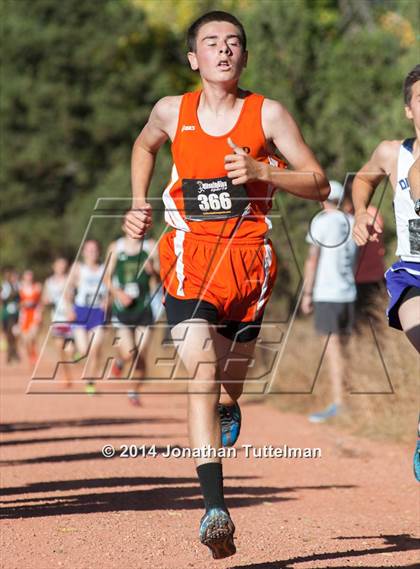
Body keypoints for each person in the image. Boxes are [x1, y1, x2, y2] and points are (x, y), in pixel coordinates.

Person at [124, 11, 329, 559]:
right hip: (190, 256)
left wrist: (266, 173)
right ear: (194, 58)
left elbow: (319, 181)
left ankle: (231, 404)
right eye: (211, 43)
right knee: (202, 369)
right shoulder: (172, 111)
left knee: (231, 381)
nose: (223, 50)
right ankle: (215, 506)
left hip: (250, 264)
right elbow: (144, 147)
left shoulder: (268, 115)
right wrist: (141, 201)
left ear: (245, 57)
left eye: (233, 43)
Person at [352, 64, 420, 482]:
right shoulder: (391, 153)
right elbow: (363, 179)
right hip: (413, 273)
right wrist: (362, 211)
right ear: (408, 110)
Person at [302, 180, 357, 422]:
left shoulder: (322, 222)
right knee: (345, 349)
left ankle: (340, 403)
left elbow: (312, 259)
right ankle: (346, 399)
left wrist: (307, 293)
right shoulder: (352, 222)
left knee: (333, 351)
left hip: (327, 293)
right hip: (348, 293)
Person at [105, 235, 160, 406]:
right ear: (124, 225)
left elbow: (160, 277)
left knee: (141, 354)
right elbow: (106, 277)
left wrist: (153, 272)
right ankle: (121, 361)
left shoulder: (150, 246)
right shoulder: (116, 246)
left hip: (144, 309)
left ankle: (133, 390)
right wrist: (118, 294)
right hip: (122, 309)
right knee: (130, 352)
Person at [66, 239, 107, 394]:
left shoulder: (104, 268)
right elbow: (68, 289)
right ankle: (78, 352)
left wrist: (107, 300)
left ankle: (91, 381)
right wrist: (69, 308)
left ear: (99, 252)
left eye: (94, 250)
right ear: (83, 252)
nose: (92, 253)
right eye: (88, 250)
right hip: (81, 312)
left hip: (98, 313)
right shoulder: (78, 268)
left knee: (95, 348)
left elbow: (111, 288)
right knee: (84, 351)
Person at [43, 257, 73, 387]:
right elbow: (44, 298)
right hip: (57, 318)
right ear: (53, 266)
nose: (61, 268)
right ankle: (66, 376)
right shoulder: (49, 282)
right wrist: (47, 299)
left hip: (70, 318)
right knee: (60, 348)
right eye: (59, 265)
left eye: (63, 265)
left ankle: (75, 354)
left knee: (70, 350)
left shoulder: (69, 280)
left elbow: (74, 296)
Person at [18, 270, 42, 366]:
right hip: (24, 316)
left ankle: (34, 355)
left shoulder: (37, 287)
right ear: (24, 277)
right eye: (27, 276)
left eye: (30, 276)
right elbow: (18, 303)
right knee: (26, 339)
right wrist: (23, 304)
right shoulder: (20, 289)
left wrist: (40, 313)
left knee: (32, 336)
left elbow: (40, 302)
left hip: (34, 315)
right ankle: (30, 355)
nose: (29, 277)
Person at [1, 268, 20, 363]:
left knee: (14, 333)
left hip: (16, 313)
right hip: (7, 313)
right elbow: (3, 297)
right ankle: (11, 352)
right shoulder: (5, 286)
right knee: (9, 333)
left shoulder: (17, 285)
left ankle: (13, 352)